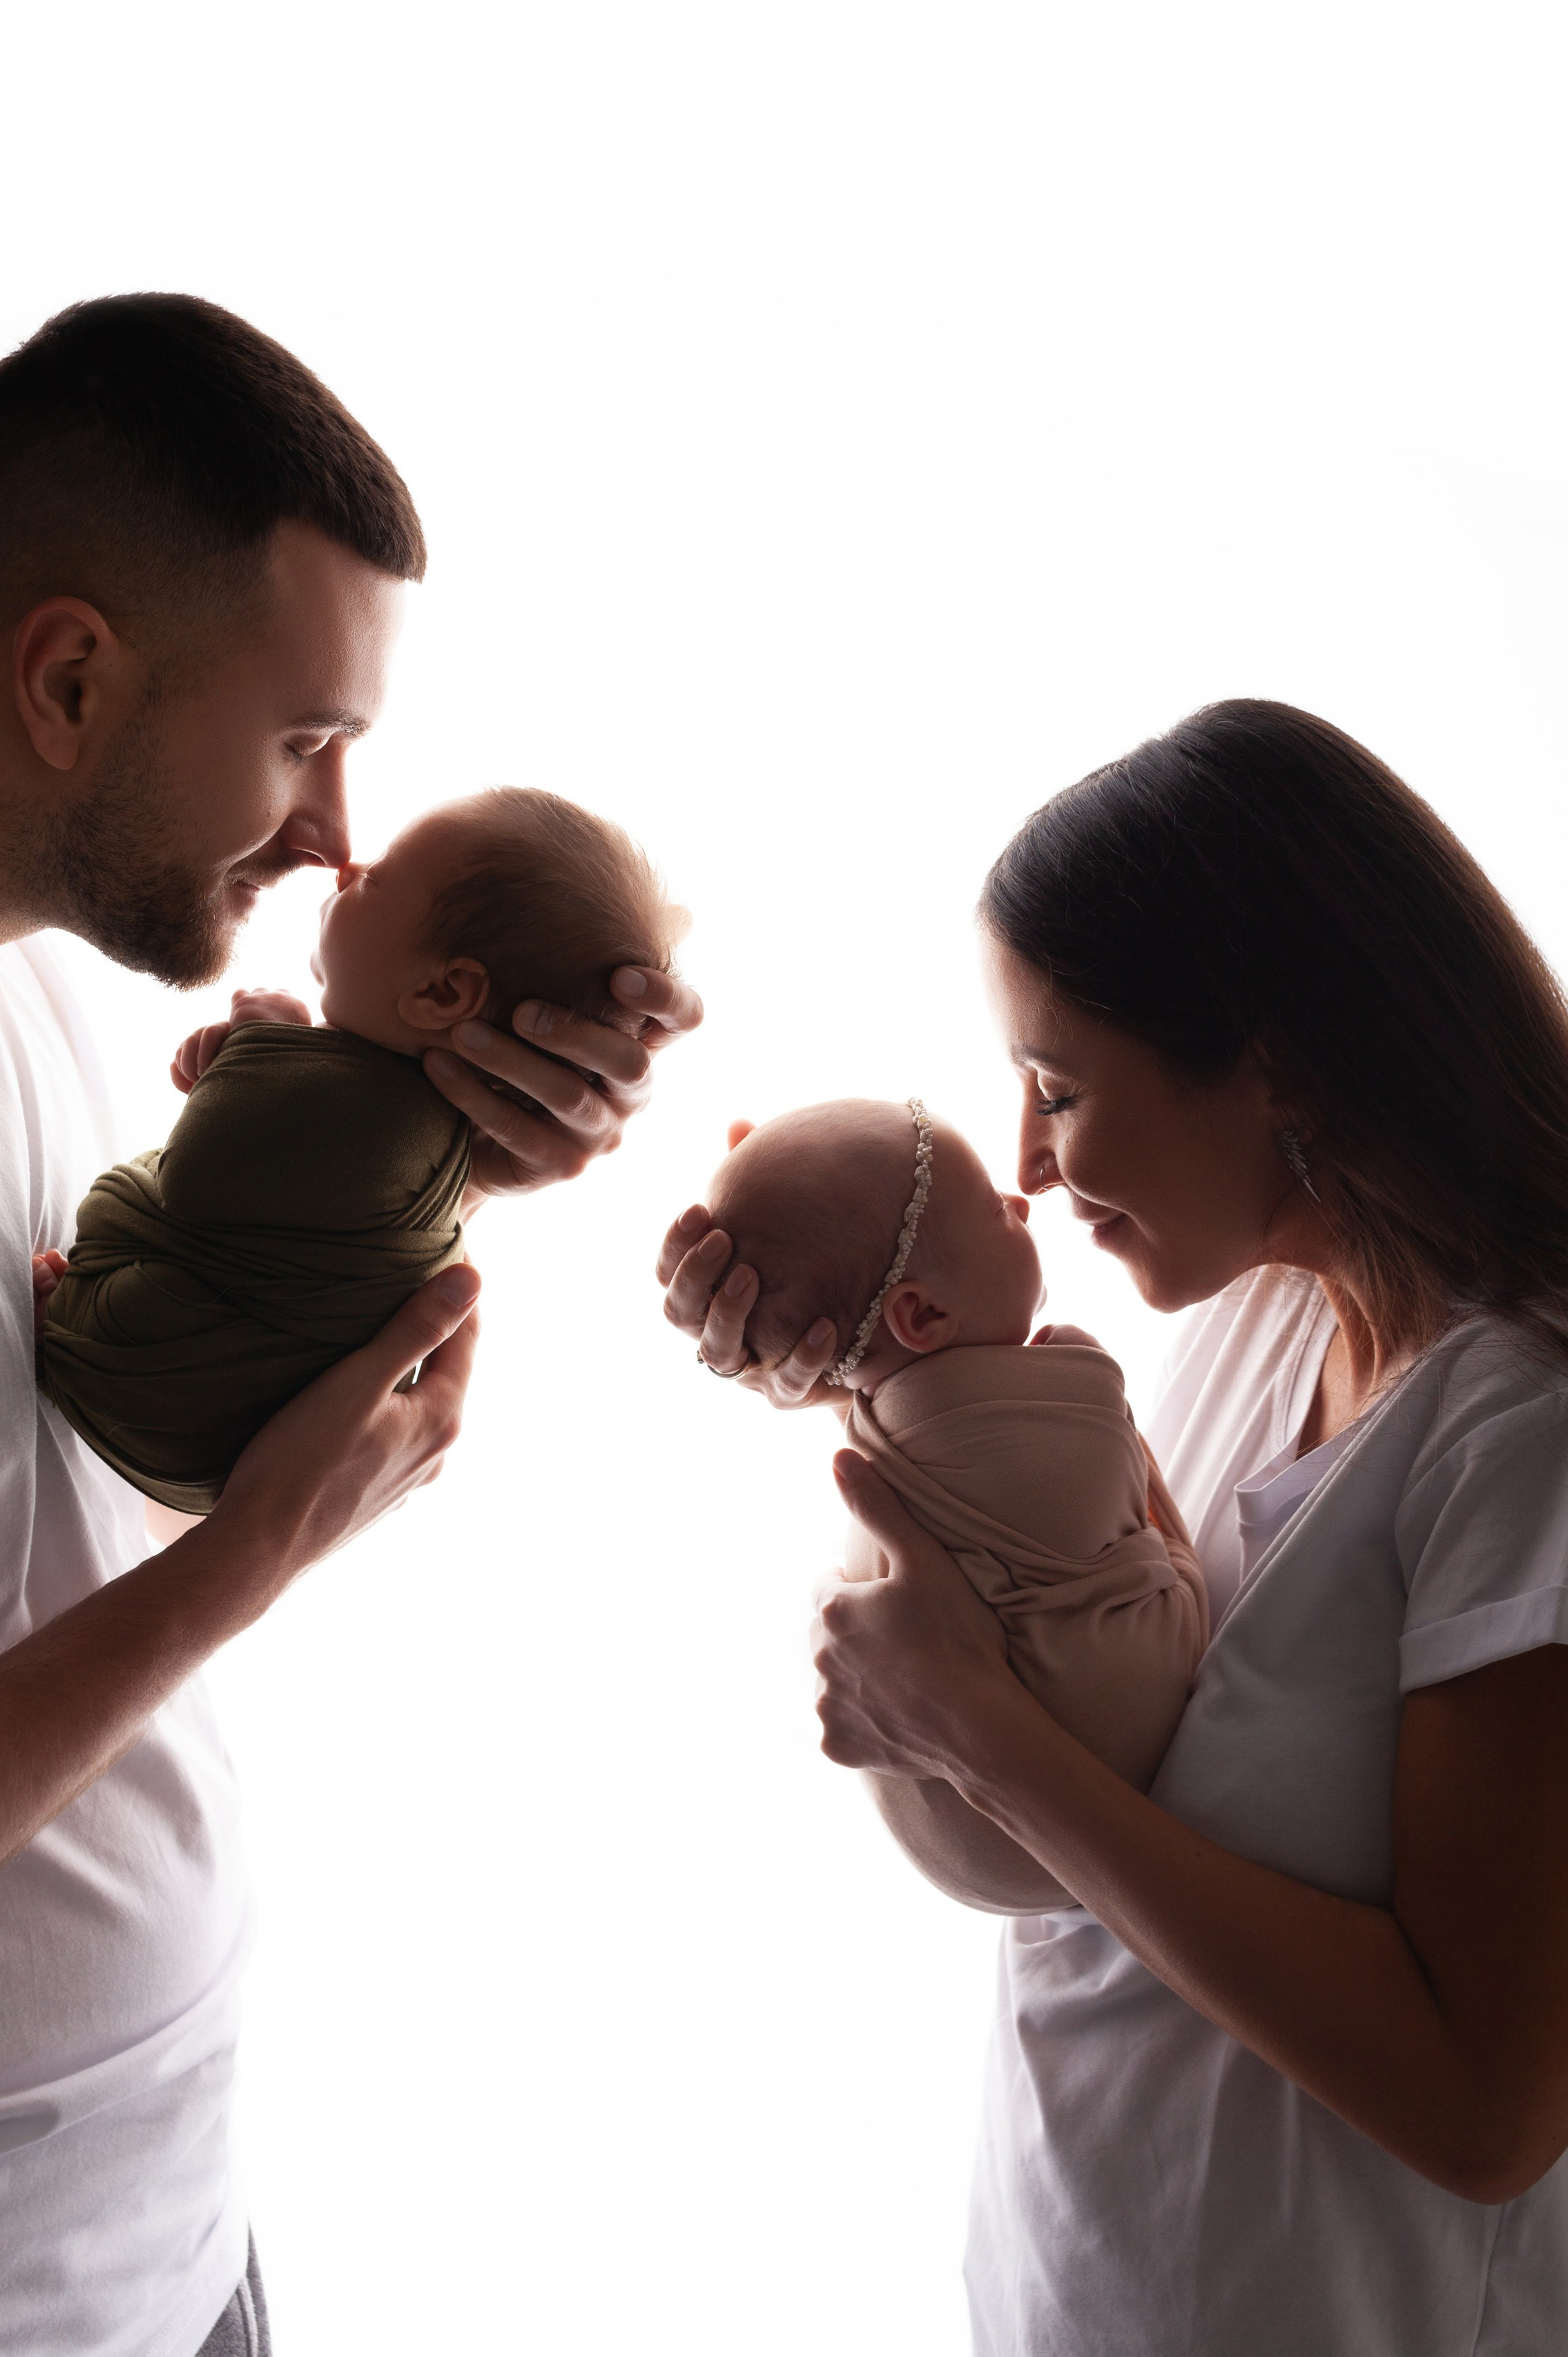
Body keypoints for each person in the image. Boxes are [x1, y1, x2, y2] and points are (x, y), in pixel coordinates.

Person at [0, 294, 699, 2357]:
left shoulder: (7, 969)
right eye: (306, 739)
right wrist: (254, 1557)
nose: (335, 834)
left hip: (171, 2222)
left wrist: (446, 1158)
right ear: (70, 676)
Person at [660, 699, 1568, 2356]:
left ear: (1276, 1058)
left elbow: (1476, 2104)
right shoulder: (1257, 1318)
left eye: (1057, 1088)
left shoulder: (1514, 1439)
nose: (1022, 1159)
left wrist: (970, 1733)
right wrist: (849, 1354)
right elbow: (1077, 1613)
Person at [39, 785, 686, 1508]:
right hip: (210, 1438)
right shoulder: (422, 1130)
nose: (346, 867)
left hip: (149, 1377)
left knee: (131, 1196)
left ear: (442, 994)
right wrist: (247, 1069)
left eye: (375, 880)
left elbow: (196, 1178)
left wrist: (258, 1041)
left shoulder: (368, 1113)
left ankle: (75, 1314)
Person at [695, 1096, 1206, 1912]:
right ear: (923, 1313)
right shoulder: (1077, 1380)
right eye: (994, 1214)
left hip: (968, 1851)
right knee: (1144, 1579)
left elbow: (926, 1450)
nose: (1019, 1197)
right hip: (1102, 1773)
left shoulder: (872, 1411)